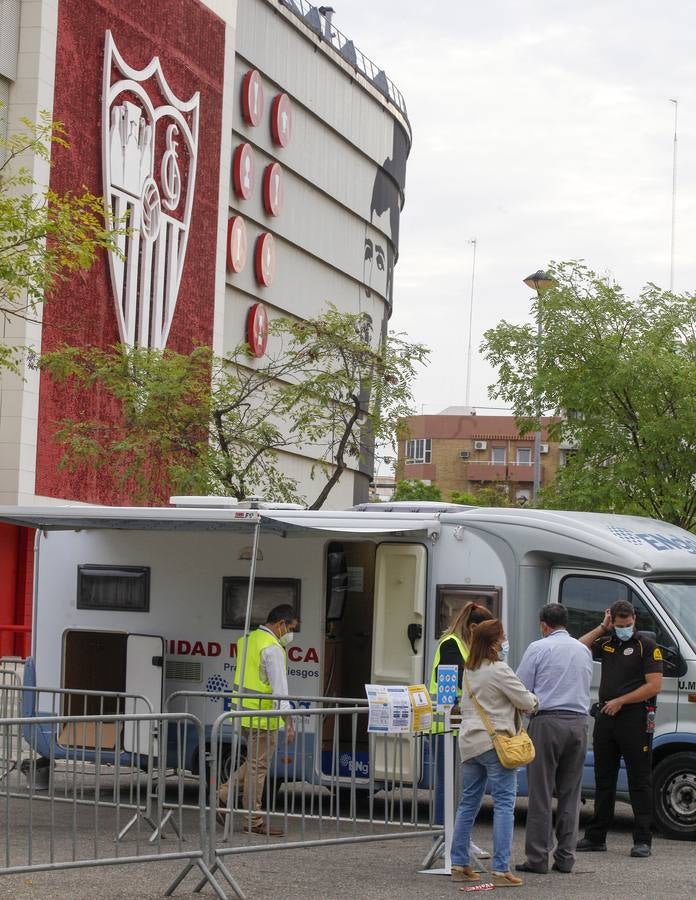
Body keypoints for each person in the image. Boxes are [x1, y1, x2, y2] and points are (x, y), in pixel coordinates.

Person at [450, 619, 538, 888]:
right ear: (493, 642)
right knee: (503, 805)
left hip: (469, 743)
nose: (505, 641)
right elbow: (526, 700)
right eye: (503, 637)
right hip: (496, 743)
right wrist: (532, 703)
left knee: (468, 803)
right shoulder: (499, 669)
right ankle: (500, 869)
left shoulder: (470, 669)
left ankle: (459, 863)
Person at [576, 599, 663, 858]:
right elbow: (577, 647)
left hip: (634, 718)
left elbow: (654, 685)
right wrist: (602, 629)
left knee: (639, 780)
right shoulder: (607, 642)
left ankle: (643, 840)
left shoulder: (646, 645)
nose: (625, 628)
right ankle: (596, 836)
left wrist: (621, 701)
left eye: (628, 624)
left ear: (634, 618)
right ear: (612, 621)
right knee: (604, 780)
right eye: (619, 625)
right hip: (606, 717)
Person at [515, 604, 592, 874]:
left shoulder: (538, 648)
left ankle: (537, 859)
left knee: (541, 792)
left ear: (544, 625)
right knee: (571, 793)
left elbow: (521, 688)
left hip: (547, 721)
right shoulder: (583, 650)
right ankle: (566, 858)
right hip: (578, 724)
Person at [219, 604, 298, 835]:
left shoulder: (247, 640)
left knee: (253, 764)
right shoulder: (272, 648)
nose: (291, 634)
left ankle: (223, 795)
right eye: (291, 628)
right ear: (281, 624)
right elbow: (280, 692)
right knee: (258, 769)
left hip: (243, 714)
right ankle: (252, 820)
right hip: (263, 718)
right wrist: (289, 723)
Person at [429, 601, 495, 835]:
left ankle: (458, 839)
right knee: (448, 786)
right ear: (474, 627)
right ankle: (444, 836)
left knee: (466, 788)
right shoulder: (451, 644)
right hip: (447, 725)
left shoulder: (467, 646)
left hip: (464, 726)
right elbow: (461, 681)